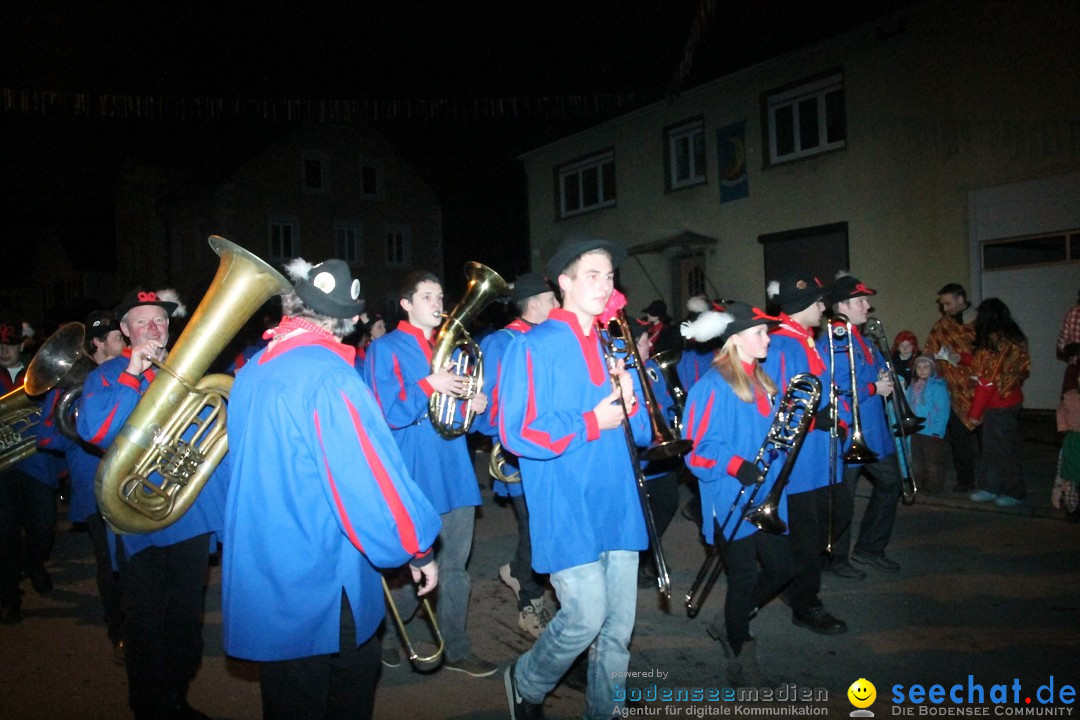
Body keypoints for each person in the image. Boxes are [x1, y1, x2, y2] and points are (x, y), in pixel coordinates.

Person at [223, 258, 442, 719]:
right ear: (348, 318)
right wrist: (416, 547)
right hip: (321, 573)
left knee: (287, 699)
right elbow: (367, 480)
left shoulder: (253, 367)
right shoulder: (331, 375)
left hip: (267, 563)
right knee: (345, 692)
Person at [499, 237, 650, 720]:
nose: (605, 286)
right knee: (585, 615)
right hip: (567, 504)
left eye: (609, 276)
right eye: (592, 275)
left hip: (619, 502)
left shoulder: (613, 346)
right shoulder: (533, 346)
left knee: (618, 627)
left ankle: (606, 711)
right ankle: (527, 680)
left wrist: (632, 402)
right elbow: (517, 431)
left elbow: (643, 432)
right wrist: (591, 422)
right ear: (563, 283)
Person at [77, 288, 226, 720]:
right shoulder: (103, 378)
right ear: (124, 330)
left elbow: (215, 440)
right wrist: (131, 375)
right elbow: (97, 431)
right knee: (145, 624)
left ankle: (176, 699)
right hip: (137, 518)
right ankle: (149, 708)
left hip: (190, 516)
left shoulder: (191, 374)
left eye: (160, 321)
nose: (153, 328)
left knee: (186, 624)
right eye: (142, 322)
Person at [363, 271, 497, 678]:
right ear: (406, 303)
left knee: (456, 567)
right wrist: (429, 383)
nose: (437, 304)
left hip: (455, 468)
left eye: (440, 296)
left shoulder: (450, 346)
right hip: (414, 471)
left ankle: (456, 648)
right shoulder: (384, 349)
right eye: (426, 296)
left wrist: (474, 406)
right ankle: (385, 637)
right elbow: (384, 413)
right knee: (412, 568)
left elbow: (455, 421)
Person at [681, 301, 795, 684]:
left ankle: (732, 617)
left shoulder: (762, 379)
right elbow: (695, 448)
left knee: (783, 568)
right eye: (760, 332)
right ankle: (741, 648)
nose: (768, 338)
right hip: (728, 497)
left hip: (764, 496)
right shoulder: (711, 385)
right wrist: (734, 464)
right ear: (736, 339)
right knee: (743, 578)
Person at [36, 310, 127, 655]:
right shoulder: (66, 391)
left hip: (129, 480)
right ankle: (117, 626)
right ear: (98, 343)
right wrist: (82, 429)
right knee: (109, 561)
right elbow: (45, 438)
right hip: (93, 484)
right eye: (118, 337)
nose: (125, 342)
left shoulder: (126, 376)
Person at [763, 271, 847, 635]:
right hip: (799, 460)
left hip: (816, 455)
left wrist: (837, 420)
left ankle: (796, 584)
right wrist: (817, 421)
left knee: (830, 520)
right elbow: (777, 405)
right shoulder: (782, 345)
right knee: (806, 534)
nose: (823, 306)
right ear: (801, 308)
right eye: (818, 302)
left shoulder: (807, 340)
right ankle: (805, 602)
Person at [476, 272, 559, 638]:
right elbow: (489, 404)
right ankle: (529, 602)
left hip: (553, 446)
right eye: (553, 300)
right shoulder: (502, 341)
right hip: (519, 450)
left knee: (545, 524)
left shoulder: (552, 336)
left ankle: (518, 570)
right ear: (537, 303)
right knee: (534, 525)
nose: (558, 305)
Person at [819, 274, 903, 577]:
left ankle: (870, 548)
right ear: (842, 305)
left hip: (874, 430)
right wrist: (873, 388)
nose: (868, 306)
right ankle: (836, 559)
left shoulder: (861, 336)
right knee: (843, 500)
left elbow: (871, 369)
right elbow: (837, 385)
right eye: (860, 301)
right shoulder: (835, 338)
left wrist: (885, 374)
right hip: (849, 429)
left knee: (892, 483)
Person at [0, 313, 64, 625]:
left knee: (43, 525)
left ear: (21, 345)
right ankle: (9, 596)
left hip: (37, 464)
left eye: (9, 344)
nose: (4, 350)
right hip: (2, 473)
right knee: (4, 534)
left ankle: (34, 563)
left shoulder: (38, 374)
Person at [964, 298, 1030, 507]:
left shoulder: (994, 343)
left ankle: (1014, 490)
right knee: (993, 448)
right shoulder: (1013, 338)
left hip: (999, 403)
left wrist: (974, 415)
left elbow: (987, 382)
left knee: (1002, 449)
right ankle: (990, 487)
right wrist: (961, 358)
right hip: (1009, 400)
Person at [630, 320, 681, 590]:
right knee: (638, 512)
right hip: (637, 455)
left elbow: (666, 404)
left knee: (667, 502)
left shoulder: (651, 369)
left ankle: (646, 553)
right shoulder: (623, 371)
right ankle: (637, 560)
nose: (651, 344)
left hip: (659, 454)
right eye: (643, 341)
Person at [924, 283, 978, 493]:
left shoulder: (981, 324)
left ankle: (993, 482)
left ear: (960, 299)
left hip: (981, 390)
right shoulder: (941, 326)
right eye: (942, 304)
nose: (945, 309)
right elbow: (929, 351)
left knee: (988, 442)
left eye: (947, 303)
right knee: (959, 440)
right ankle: (966, 481)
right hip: (952, 392)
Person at [905, 354, 951, 495]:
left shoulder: (937, 387)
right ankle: (919, 484)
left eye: (926, 367)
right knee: (917, 461)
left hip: (931, 431)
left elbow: (943, 410)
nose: (922, 370)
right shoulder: (913, 387)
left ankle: (934, 487)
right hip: (916, 430)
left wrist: (939, 430)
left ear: (932, 368)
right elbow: (908, 406)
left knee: (933, 462)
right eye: (919, 367)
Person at [1057, 288, 1080, 396]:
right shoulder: (1074, 313)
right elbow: (1061, 342)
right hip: (1076, 369)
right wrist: (1069, 348)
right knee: (1068, 409)